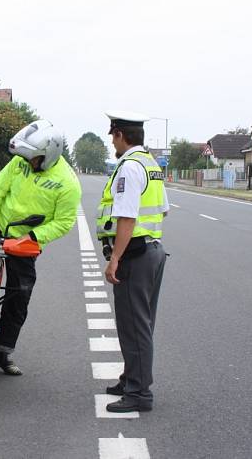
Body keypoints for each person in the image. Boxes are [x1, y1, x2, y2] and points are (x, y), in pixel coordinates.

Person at [0, 119, 82, 375]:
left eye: (33, 158)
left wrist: (32, 238)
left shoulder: (67, 184)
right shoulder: (20, 161)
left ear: (48, 156)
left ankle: (3, 351)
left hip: (24, 243)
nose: (27, 162)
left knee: (20, 295)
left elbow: (64, 222)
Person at [96, 110, 169, 412]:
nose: (112, 141)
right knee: (140, 323)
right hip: (152, 251)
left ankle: (139, 394)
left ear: (120, 135)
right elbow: (163, 210)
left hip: (135, 255)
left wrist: (115, 257)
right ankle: (130, 379)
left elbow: (127, 216)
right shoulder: (150, 164)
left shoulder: (128, 167)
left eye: (113, 135)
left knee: (134, 326)